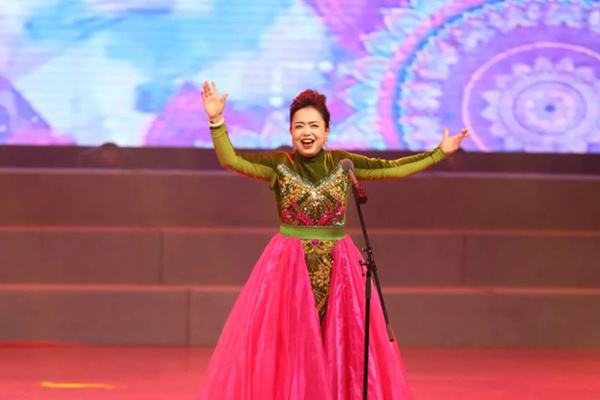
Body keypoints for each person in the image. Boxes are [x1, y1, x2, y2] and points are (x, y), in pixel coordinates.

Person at [198, 81, 469, 400]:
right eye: (299, 126)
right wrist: (216, 121)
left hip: (340, 269)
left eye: (314, 125)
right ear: (291, 132)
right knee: (293, 346)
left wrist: (439, 153)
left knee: (341, 346)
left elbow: (393, 169)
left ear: (327, 131)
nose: (306, 132)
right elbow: (232, 160)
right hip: (289, 268)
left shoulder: (344, 164)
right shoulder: (279, 166)